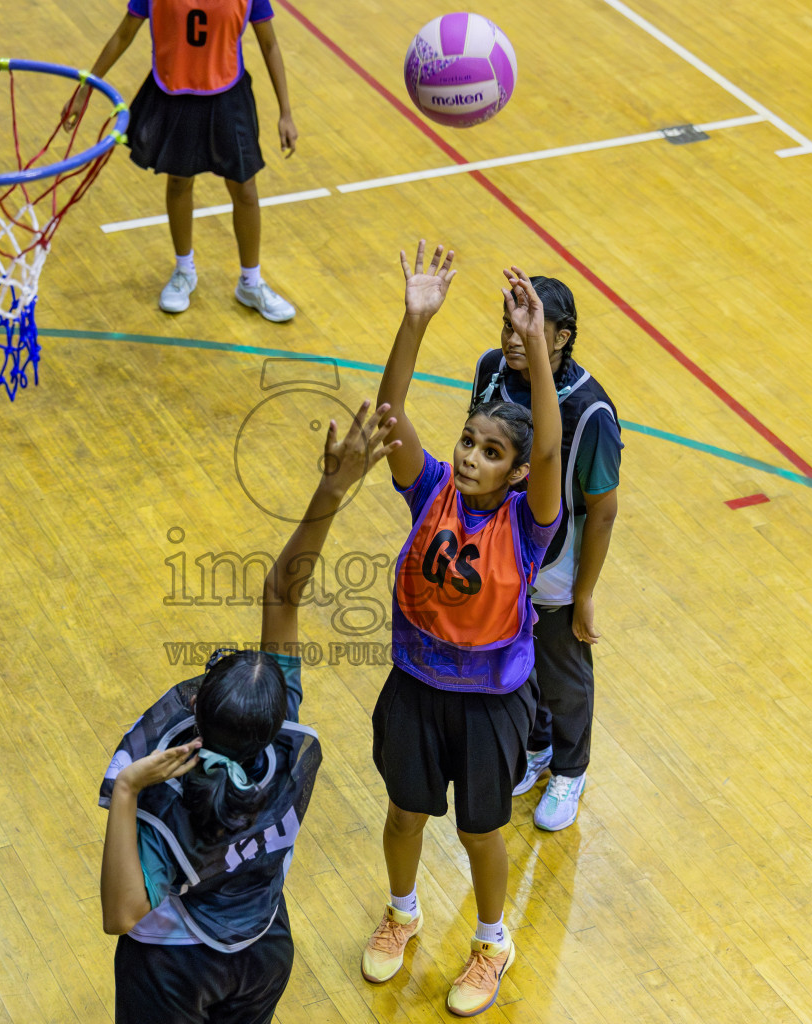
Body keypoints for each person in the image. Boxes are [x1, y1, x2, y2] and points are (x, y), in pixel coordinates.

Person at [99, 402, 398, 1024]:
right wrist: (332, 490)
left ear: (197, 710)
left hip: (175, 967)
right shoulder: (282, 742)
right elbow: (283, 594)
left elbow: (122, 913)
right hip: (264, 949)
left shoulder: (175, 800)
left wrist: (126, 790)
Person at [363, 241, 563, 1017]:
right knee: (404, 813)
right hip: (415, 687)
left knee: (482, 832)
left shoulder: (527, 524)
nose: (473, 457)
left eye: (492, 451)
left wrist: (536, 346)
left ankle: (490, 943)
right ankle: (402, 912)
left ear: (517, 470)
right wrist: (414, 320)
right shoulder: (431, 491)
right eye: (469, 442)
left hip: (489, 703)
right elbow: (389, 417)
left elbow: (550, 445)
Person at [468, 275, 622, 832]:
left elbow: (602, 510)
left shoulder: (590, 411)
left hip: (554, 565)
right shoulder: (491, 370)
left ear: (562, 337)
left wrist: (585, 593)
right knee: (516, 661)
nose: (513, 338)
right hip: (495, 553)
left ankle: (570, 770)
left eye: (526, 328)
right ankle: (536, 748)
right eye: (506, 326)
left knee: (563, 674)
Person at [65, 0, 299, 322]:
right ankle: (184, 271)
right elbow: (123, 35)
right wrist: (84, 92)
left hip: (228, 95)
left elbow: (269, 44)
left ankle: (251, 282)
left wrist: (286, 113)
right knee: (178, 182)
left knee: (245, 189)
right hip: (174, 93)